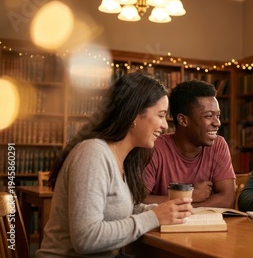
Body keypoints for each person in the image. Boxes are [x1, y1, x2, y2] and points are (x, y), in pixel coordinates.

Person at [36, 72, 193, 258]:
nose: (165, 126)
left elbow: (121, 209)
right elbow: (86, 238)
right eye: (160, 115)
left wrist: (167, 211)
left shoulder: (121, 157)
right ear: (134, 114)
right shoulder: (93, 154)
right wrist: (154, 217)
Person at [143, 79, 235, 208]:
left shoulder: (218, 145)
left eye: (218, 116)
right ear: (183, 120)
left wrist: (182, 204)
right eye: (209, 116)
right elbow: (139, 201)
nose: (217, 123)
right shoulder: (154, 148)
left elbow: (226, 200)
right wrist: (189, 195)